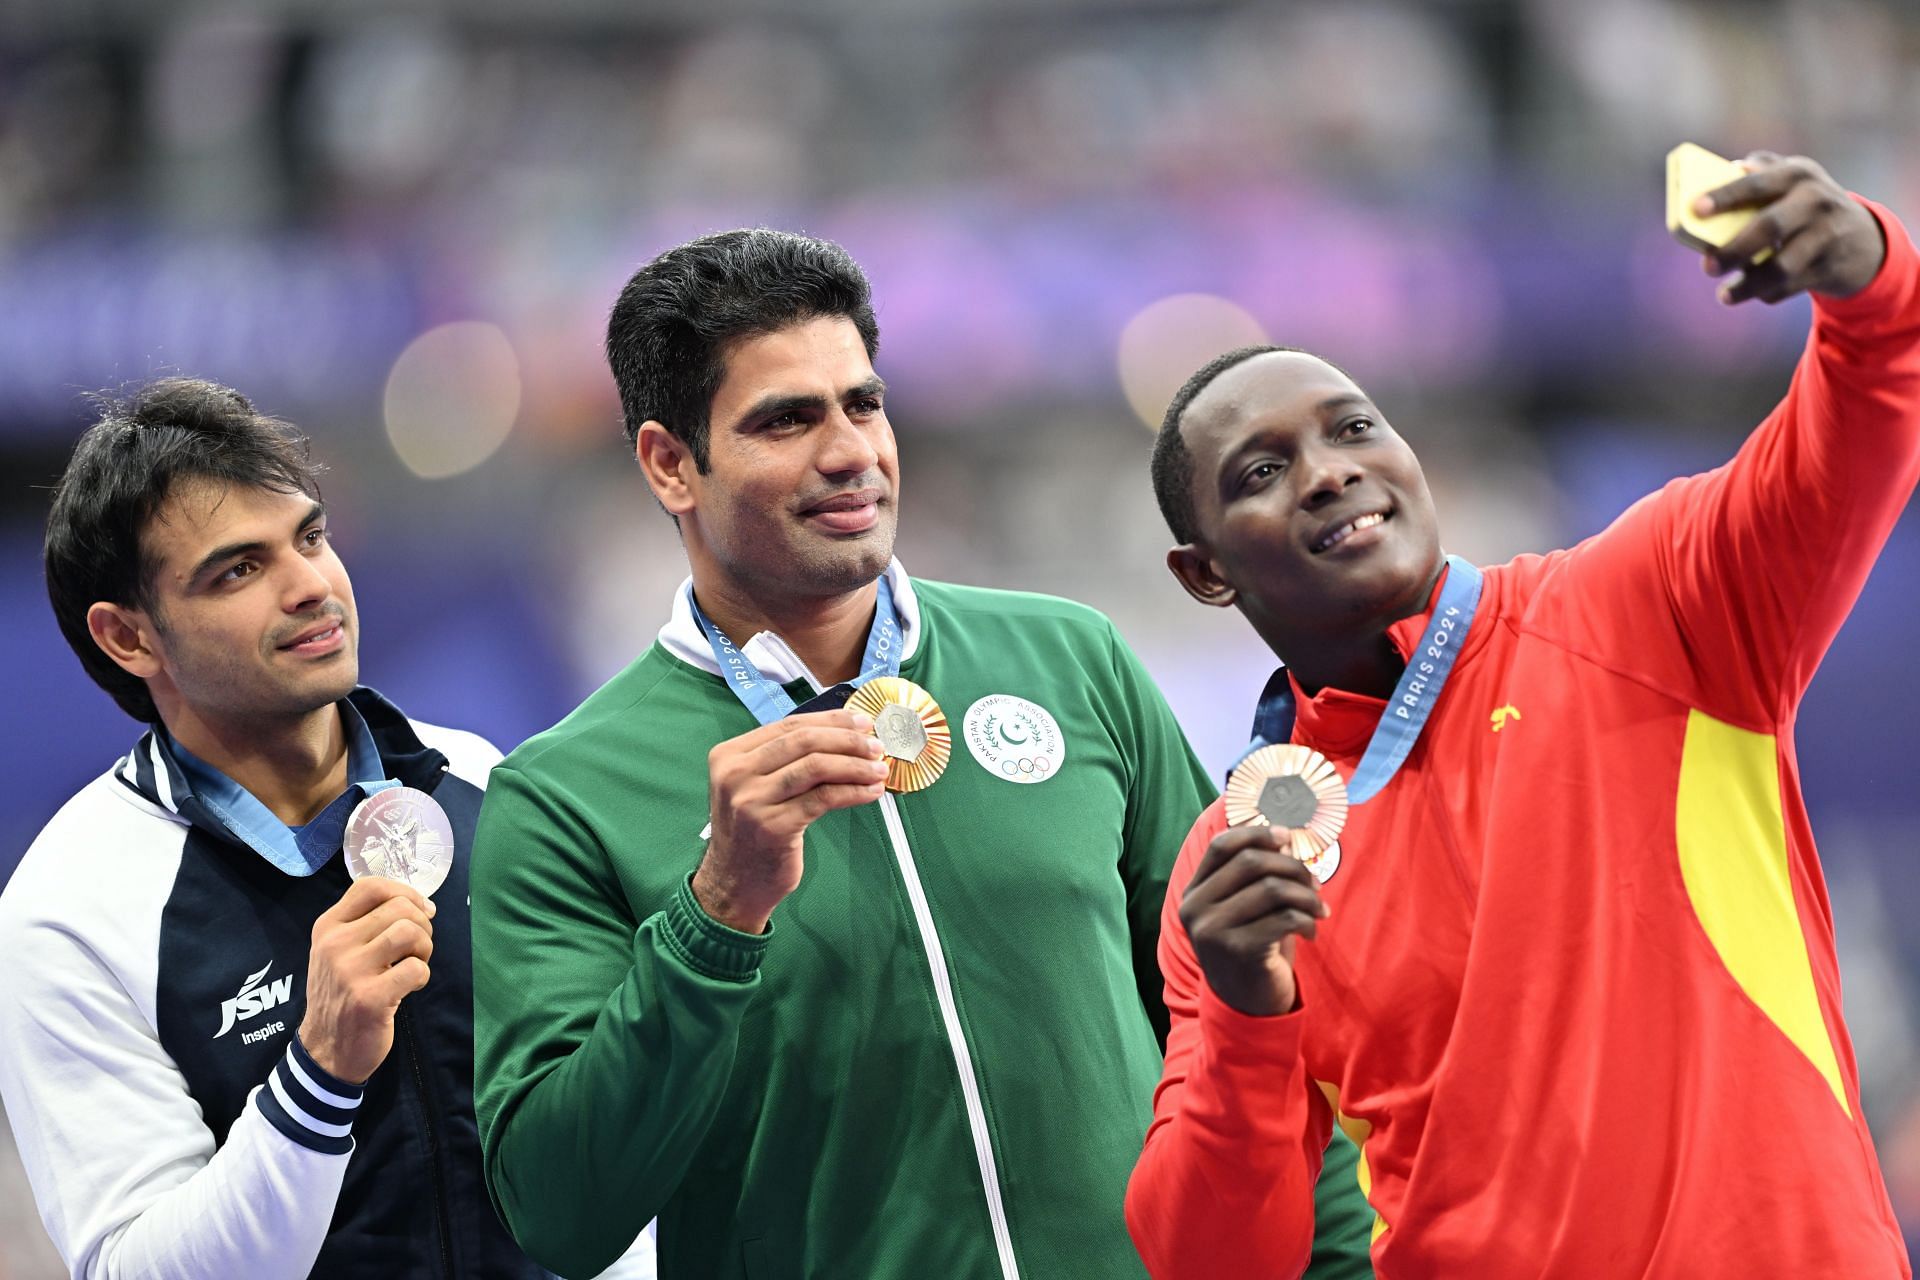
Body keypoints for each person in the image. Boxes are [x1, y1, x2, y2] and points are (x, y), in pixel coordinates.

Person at [466, 229, 1375, 1278]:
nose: (852, 449)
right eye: (786, 420)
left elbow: (1244, 1026)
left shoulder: (1070, 658)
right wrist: (715, 914)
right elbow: (557, 1208)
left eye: (863, 402)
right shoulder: (565, 794)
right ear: (672, 463)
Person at [1127, 152, 1916, 1276]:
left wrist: (1869, 278)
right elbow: (1211, 1258)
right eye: (1261, 469)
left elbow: (1870, 408)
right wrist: (1249, 1022)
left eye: (1353, 428)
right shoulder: (1243, 863)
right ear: (1206, 574)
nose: (1329, 472)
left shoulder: (1648, 602)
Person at [0, 378, 649, 1278]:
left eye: (310, 537)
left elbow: (592, 1150)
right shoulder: (70, 910)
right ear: (129, 639)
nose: (311, 586)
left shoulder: (482, 783)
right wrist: (318, 1074)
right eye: (239, 569)